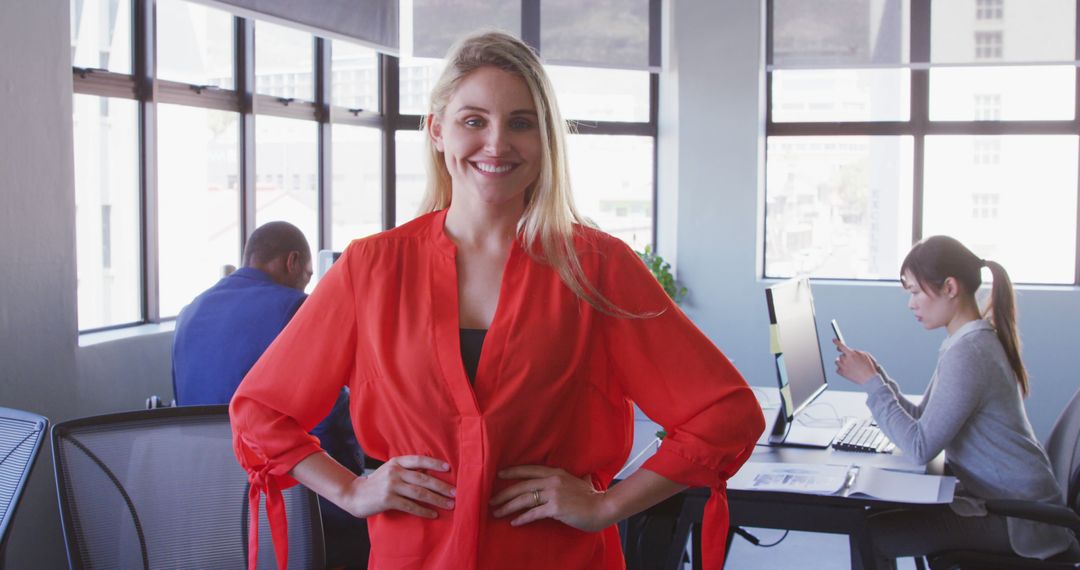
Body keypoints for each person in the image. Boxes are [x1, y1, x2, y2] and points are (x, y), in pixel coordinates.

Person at [230, 31, 764, 570]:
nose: (497, 143)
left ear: (546, 139)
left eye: (521, 122)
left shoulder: (596, 269)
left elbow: (725, 415)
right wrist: (350, 491)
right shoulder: (370, 268)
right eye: (474, 120)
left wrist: (609, 505)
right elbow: (261, 412)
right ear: (438, 130)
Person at [833, 235, 1080, 569]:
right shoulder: (966, 342)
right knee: (877, 516)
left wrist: (871, 383)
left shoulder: (969, 352)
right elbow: (924, 420)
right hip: (1012, 507)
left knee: (870, 531)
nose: (911, 304)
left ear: (950, 287)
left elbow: (921, 446)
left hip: (1019, 522)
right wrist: (879, 378)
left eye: (915, 292)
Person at [172, 221, 369, 568]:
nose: (308, 285)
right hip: (293, 503)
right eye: (308, 275)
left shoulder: (190, 310)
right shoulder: (296, 309)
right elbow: (331, 422)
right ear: (292, 262)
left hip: (208, 508)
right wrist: (359, 482)